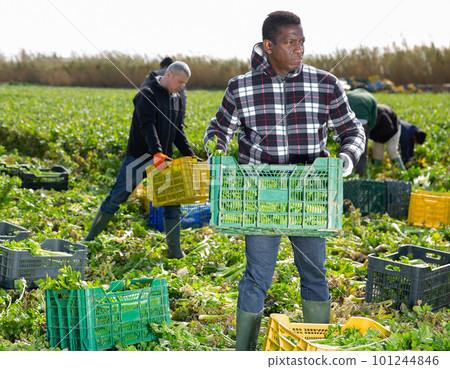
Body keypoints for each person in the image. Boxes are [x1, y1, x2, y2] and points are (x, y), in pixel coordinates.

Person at [204, 11, 365, 350]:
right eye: (291, 42)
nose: (299, 49)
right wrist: (215, 152)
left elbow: (352, 130)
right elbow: (219, 130)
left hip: (310, 197)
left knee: (315, 275)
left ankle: (317, 349)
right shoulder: (241, 87)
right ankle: (244, 351)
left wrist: (346, 160)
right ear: (269, 45)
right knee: (257, 277)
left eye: (302, 42)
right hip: (260, 198)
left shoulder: (325, 84)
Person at [84, 61, 196, 259]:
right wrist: (156, 152)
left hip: (164, 160)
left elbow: (178, 130)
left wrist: (188, 153)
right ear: (169, 74)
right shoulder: (147, 94)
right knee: (117, 197)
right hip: (139, 157)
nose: (182, 87)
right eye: (180, 82)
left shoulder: (177, 99)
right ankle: (88, 241)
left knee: (173, 203)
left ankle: (175, 253)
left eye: (184, 84)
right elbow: (147, 126)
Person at [346, 86, 377, 177]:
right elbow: (373, 117)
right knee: (362, 152)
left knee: (345, 147)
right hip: (363, 123)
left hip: (348, 122)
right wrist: (368, 130)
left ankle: (342, 175)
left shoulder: (349, 94)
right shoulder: (371, 97)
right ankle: (358, 175)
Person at [369, 104, 406, 170]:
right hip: (379, 131)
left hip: (393, 130)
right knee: (377, 153)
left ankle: (402, 172)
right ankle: (377, 172)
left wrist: (373, 135)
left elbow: (389, 127)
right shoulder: (367, 115)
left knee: (392, 150)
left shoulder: (380, 114)